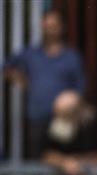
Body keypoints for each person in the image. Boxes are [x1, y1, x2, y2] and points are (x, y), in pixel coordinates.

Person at [3, 10, 85, 158]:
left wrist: (71, 106)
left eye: (54, 25)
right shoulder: (31, 53)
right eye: (47, 25)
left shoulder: (71, 57)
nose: (50, 29)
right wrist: (20, 79)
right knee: (36, 161)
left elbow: (80, 88)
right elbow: (6, 67)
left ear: (62, 27)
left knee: (62, 163)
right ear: (42, 27)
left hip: (63, 120)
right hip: (37, 117)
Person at [42, 91, 97, 175]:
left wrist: (78, 161)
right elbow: (46, 153)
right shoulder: (56, 123)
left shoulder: (90, 122)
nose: (59, 116)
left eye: (63, 113)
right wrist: (64, 162)